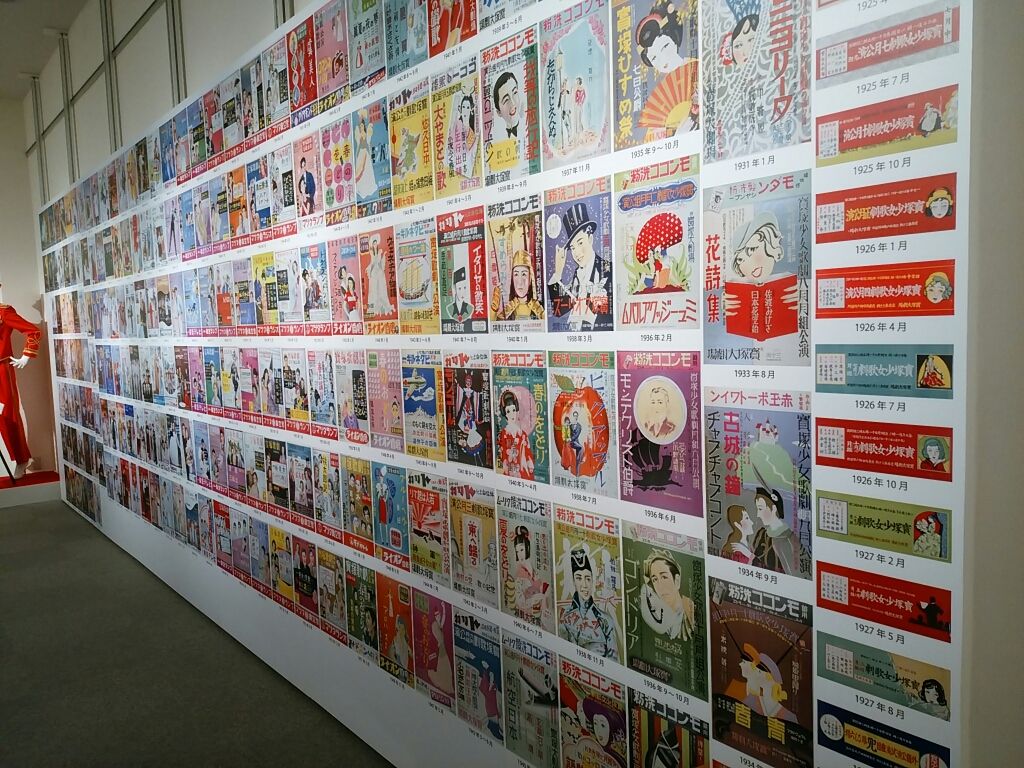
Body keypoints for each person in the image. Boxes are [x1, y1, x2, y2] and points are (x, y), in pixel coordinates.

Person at [548, 202, 612, 330]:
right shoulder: (577, 274)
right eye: (572, 247)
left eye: (580, 243)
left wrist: (587, 314)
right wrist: (558, 272)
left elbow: (608, 320)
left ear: (590, 238)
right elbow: (559, 310)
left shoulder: (607, 270)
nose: (577, 253)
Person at [559, 547, 618, 659]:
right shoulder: (565, 615)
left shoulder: (605, 620)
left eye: (588, 578)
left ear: (592, 581)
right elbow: (562, 652)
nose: (584, 585)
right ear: (573, 581)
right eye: (579, 578)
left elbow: (613, 659)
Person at [751, 487, 810, 577]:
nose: (758, 514)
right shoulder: (761, 534)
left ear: (774, 508)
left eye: (760, 509)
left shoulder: (789, 540)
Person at [640, 549, 696, 641]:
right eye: (655, 579)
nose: (660, 586)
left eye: (664, 577)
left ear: (677, 580)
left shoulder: (692, 613)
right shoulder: (657, 616)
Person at [493, 251, 544, 320]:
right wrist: (494, 308)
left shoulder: (538, 308)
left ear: (530, 278)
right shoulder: (509, 308)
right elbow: (496, 323)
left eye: (524, 274)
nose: (520, 282)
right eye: (516, 274)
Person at [497, 389, 534, 479]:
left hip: (522, 469)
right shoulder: (503, 434)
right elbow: (502, 452)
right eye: (508, 411)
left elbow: (527, 452)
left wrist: (529, 462)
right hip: (509, 470)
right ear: (505, 414)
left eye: (513, 410)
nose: (512, 414)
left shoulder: (522, 434)